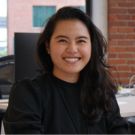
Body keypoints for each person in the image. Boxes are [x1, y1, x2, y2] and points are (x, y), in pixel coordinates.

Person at [3, 6, 129, 134]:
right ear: (48, 46)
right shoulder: (27, 93)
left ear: (91, 46)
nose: (72, 49)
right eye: (62, 40)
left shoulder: (102, 91)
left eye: (81, 41)